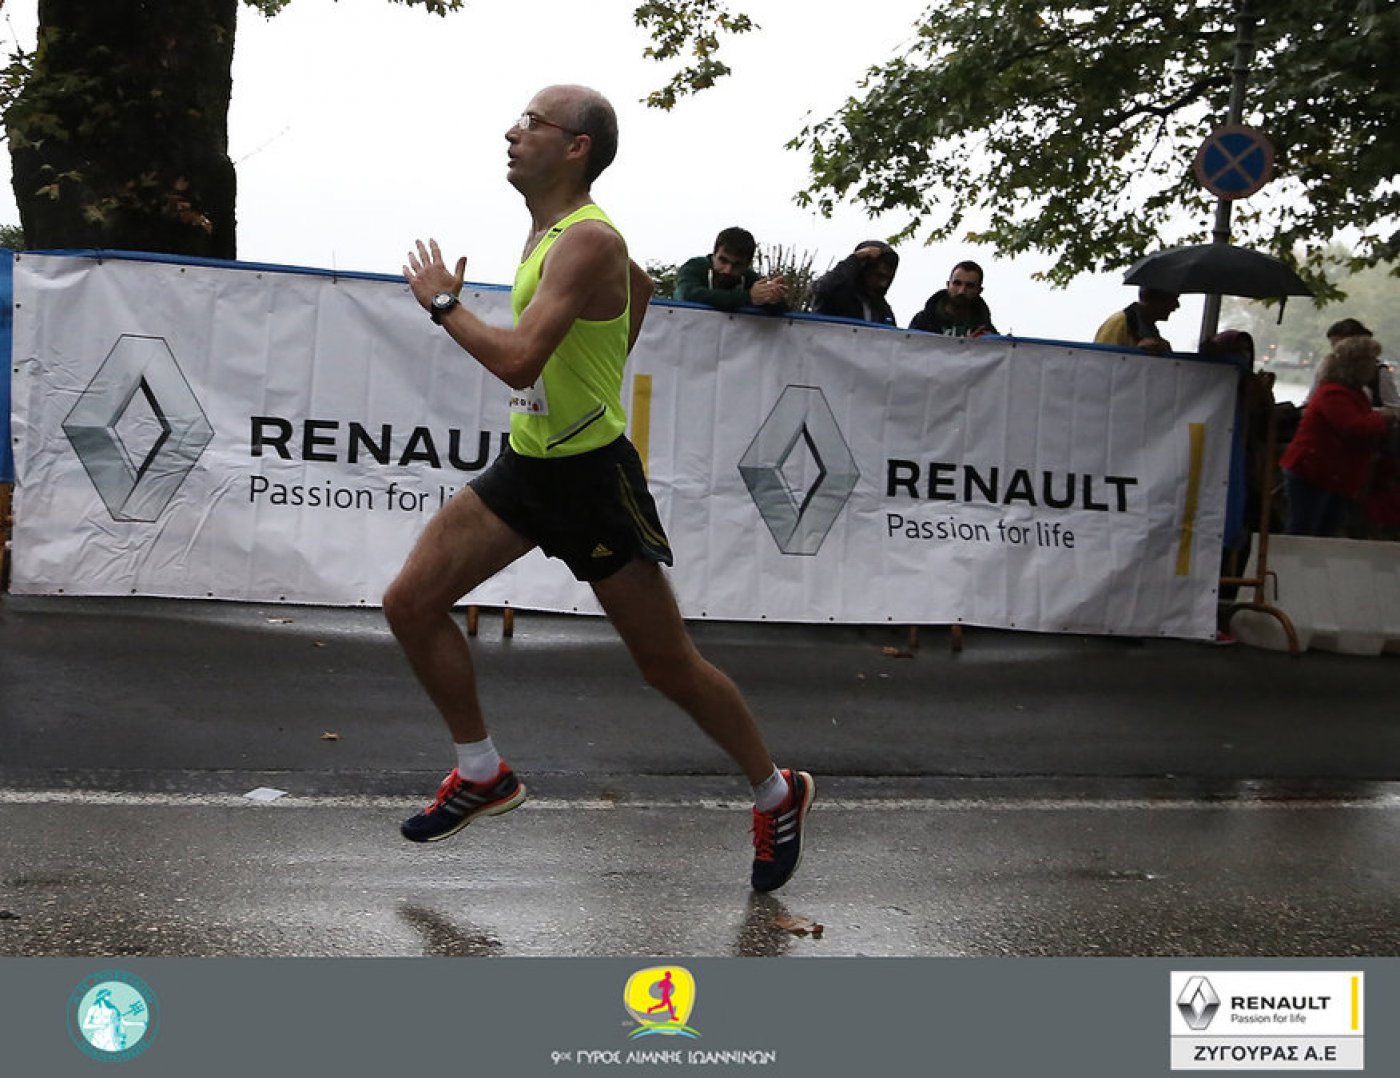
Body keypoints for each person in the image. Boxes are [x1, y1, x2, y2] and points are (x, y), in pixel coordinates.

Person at [390, 84, 813, 894]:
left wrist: (442, 303)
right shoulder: (556, 232)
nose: (511, 132)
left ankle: (775, 790)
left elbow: (519, 361)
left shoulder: (587, 239)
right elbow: (641, 289)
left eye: (531, 122)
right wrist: (601, 371)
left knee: (666, 665)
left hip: (589, 479)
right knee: (410, 602)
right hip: (528, 467)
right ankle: (480, 772)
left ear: (576, 146)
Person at [1279, 335, 1398, 536]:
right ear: (1357, 365)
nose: (1374, 366)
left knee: (1325, 530)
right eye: (1371, 360)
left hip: (1333, 474)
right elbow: (1352, 426)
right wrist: (1383, 418)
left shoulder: (1351, 393)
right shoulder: (1333, 393)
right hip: (1314, 470)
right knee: (1303, 530)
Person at [674, 227, 787, 312]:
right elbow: (687, 294)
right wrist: (747, 297)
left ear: (747, 265)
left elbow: (782, 311)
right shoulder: (695, 267)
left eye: (737, 265)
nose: (728, 270)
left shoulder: (749, 278)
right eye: (723, 261)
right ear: (714, 254)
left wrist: (772, 298)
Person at [811, 240, 899, 325]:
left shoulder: (883, 310)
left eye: (888, 279)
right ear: (864, 269)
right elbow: (821, 288)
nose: (883, 284)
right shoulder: (838, 294)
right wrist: (857, 258)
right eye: (879, 276)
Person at [908, 260, 997, 337]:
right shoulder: (922, 322)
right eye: (957, 283)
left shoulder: (985, 331)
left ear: (979, 290)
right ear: (948, 285)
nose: (961, 291)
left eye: (969, 286)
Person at [1093, 287, 1180, 355]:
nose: (1177, 305)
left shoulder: (1151, 332)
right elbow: (1101, 364)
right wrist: (1137, 353)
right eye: (1173, 299)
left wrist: (1165, 351)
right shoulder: (1118, 323)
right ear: (1154, 299)